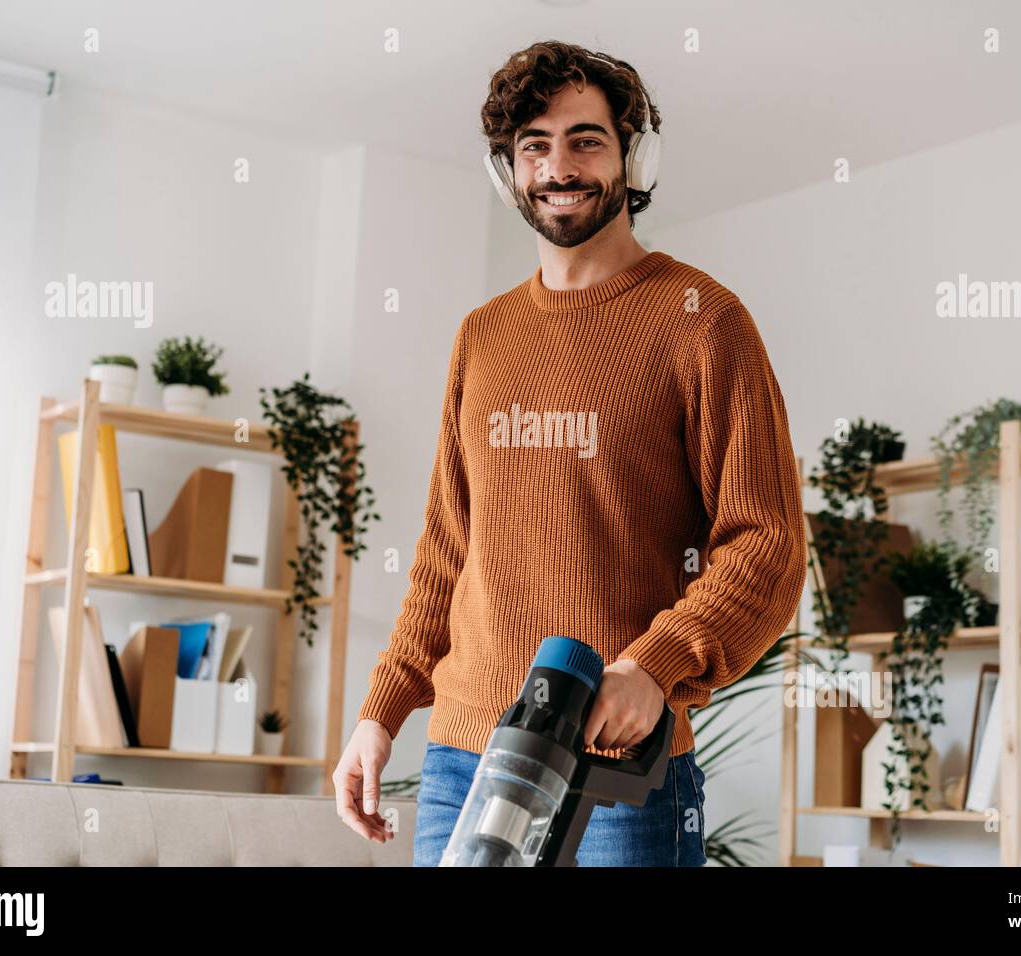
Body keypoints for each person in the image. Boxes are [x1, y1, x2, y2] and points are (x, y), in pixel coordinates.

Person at [332, 39, 806, 867]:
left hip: (616, 764)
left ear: (633, 154)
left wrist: (653, 669)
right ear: (507, 171)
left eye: (586, 140)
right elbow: (449, 550)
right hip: (459, 762)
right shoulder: (481, 337)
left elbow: (766, 545)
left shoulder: (702, 320)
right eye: (534, 146)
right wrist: (382, 709)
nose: (560, 166)